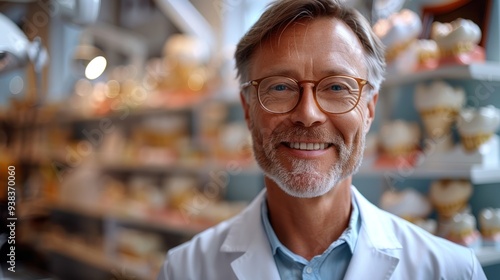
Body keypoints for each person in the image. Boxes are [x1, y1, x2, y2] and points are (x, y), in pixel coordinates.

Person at [157, 0, 487, 279]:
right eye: (280, 87)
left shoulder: (452, 270)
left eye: (336, 87)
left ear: (369, 109)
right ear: (248, 108)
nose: (308, 114)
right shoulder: (186, 269)